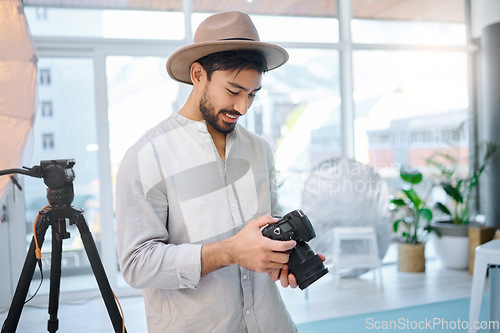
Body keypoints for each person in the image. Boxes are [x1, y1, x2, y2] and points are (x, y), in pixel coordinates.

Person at [115, 11, 319, 332]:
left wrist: (281, 258)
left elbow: (266, 230)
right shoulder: (146, 156)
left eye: (252, 94)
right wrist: (228, 252)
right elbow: (137, 265)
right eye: (234, 91)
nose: (243, 107)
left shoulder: (260, 150)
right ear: (198, 75)